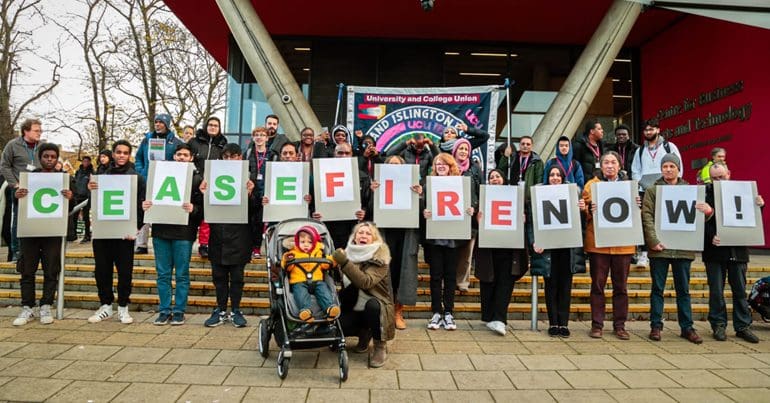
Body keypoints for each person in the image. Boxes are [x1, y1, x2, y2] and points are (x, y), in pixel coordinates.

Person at [642, 153, 709, 344]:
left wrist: (706, 212)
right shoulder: (653, 190)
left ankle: (687, 327)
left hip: (683, 249)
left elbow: (698, 220)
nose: (668, 169)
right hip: (659, 249)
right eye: (665, 166)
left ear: (678, 168)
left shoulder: (690, 190)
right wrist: (653, 240)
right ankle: (656, 326)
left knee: (684, 290)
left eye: (672, 166)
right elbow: (647, 216)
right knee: (657, 289)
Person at [12, 143, 73, 326]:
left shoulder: (64, 178)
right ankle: (27, 307)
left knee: (51, 270)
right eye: (46, 156)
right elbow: (18, 205)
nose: (49, 160)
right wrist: (18, 196)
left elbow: (76, 201)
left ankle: (46, 305)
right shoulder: (29, 178)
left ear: (57, 159)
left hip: (53, 231)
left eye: (53, 157)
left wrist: (70, 197)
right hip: (30, 230)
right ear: (40, 157)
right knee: (27, 270)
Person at [142, 143, 203, 326]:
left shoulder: (197, 179)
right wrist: (146, 205)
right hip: (161, 231)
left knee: (182, 274)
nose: (181, 157)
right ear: (174, 156)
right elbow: (149, 199)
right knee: (163, 274)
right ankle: (164, 310)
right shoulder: (159, 174)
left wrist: (194, 209)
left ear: (191, 158)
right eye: (178, 154)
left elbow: (204, 209)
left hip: (184, 233)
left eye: (185, 155)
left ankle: (179, 311)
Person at [87, 140, 145, 324]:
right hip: (103, 231)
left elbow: (141, 206)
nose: (121, 155)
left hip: (124, 234)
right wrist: (90, 189)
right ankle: (105, 305)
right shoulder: (100, 175)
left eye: (125, 152)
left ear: (129, 155)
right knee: (102, 270)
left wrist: (136, 228)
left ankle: (123, 307)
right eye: (118, 152)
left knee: (125, 272)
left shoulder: (136, 177)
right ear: (113, 154)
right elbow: (92, 202)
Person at [702, 162, 762, 343]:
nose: (719, 180)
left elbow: (750, 218)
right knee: (716, 291)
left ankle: (743, 326)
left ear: (729, 173)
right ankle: (718, 325)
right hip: (715, 252)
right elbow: (695, 223)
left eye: (722, 176)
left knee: (739, 290)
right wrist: (710, 236)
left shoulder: (744, 192)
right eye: (715, 178)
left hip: (738, 250)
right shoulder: (705, 194)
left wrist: (760, 204)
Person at [582, 151, 637, 339]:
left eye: (613, 162)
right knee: (598, 286)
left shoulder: (629, 187)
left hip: (623, 245)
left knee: (620, 287)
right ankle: (597, 325)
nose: (610, 166)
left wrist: (637, 203)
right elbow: (586, 213)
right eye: (606, 162)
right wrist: (588, 209)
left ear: (620, 166)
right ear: (601, 166)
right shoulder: (591, 186)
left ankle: (620, 325)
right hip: (598, 244)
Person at [201, 143, 255, 328]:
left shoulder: (249, 178)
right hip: (218, 235)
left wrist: (250, 194)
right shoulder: (212, 177)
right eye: (226, 157)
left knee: (237, 277)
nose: (230, 160)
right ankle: (220, 309)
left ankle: (236, 310)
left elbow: (257, 211)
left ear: (241, 157)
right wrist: (203, 194)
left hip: (240, 237)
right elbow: (204, 210)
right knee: (219, 276)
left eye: (234, 156)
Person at [529, 166, 586, 338]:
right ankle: (553, 322)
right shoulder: (540, 195)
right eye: (552, 175)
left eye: (558, 175)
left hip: (567, 249)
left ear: (563, 177)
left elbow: (581, 224)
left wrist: (582, 210)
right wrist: (534, 241)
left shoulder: (573, 194)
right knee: (551, 286)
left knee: (565, 287)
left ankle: (564, 323)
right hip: (548, 250)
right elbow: (532, 221)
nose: (555, 177)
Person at [369, 155, 422, 330]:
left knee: (402, 271)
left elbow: (421, 213)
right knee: (385, 271)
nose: (393, 167)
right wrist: (373, 193)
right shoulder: (378, 183)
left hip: (405, 234)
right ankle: (386, 310)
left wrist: (419, 195)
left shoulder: (412, 184)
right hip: (385, 234)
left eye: (397, 164)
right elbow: (369, 212)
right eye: (390, 164)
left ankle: (398, 311)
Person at [333, 222, 394, 368]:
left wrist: (345, 262)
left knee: (373, 306)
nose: (363, 236)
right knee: (335, 324)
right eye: (360, 233)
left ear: (374, 239)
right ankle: (363, 334)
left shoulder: (380, 258)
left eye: (368, 233)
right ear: (354, 237)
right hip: (353, 304)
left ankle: (380, 346)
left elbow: (365, 282)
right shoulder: (347, 254)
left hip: (377, 307)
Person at [423, 153, 472, 331]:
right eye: (437, 163)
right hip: (435, 240)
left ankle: (449, 312)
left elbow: (468, 204)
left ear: (450, 165)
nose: (440, 166)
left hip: (453, 240)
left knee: (451, 277)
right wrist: (424, 212)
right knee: (435, 277)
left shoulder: (460, 184)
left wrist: (469, 210)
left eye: (444, 163)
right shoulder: (428, 185)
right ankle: (436, 311)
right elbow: (422, 204)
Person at [476, 169, 527, 335]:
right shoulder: (483, 198)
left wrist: (523, 219)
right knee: (489, 282)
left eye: (497, 176)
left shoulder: (515, 197)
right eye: (491, 177)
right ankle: (490, 317)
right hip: (489, 250)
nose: (494, 179)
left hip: (509, 249)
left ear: (504, 179)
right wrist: (477, 219)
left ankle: (500, 318)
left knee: (505, 284)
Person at [631, 121, 682, 268]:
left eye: (651, 129)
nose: (648, 132)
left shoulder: (669, 147)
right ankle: (643, 253)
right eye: (645, 130)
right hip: (645, 190)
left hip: (667, 189)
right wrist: (641, 183)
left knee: (665, 218)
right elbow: (635, 170)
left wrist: (674, 184)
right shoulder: (640, 150)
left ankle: (668, 247)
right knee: (644, 220)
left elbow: (678, 166)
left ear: (658, 130)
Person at [133, 113, 182, 254]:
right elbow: (139, 158)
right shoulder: (147, 139)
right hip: (147, 179)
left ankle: (165, 241)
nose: (158, 125)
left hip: (166, 182)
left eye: (161, 122)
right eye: (156, 122)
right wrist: (142, 173)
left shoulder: (175, 141)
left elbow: (178, 160)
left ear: (167, 124)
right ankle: (141, 244)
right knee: (145, 208)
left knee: (163, 209)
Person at [0, 118, 43, 261]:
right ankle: (16, 252)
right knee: (18, 220)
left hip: (39, 190)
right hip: (20, 190)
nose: (39, 133)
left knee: (37, 221)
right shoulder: (13, 145)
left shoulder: (42, 146)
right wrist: (15, 184)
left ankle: (36, 251)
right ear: (26, 131)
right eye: (36, 130)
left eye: (40, 130)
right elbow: (4, 166)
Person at [282, 225, 340, 321]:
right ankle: (305, 311)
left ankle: (330, 308)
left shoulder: (319, 253)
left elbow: (325, 265)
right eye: (302, 242)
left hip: (317, 280)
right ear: (297, 242)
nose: (306, 244)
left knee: (323, 290)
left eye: (310, 242)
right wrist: (288, 260)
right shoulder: (292, 253)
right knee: (300, 293)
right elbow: (288, 268)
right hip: (299, 281)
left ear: (315, 243)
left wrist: (334, 259)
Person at [189, 117, 227, 258]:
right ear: (205, 126)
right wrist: (197, 176)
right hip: (195, 182)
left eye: (215, 125)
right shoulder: (194, 142)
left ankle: (204, 244)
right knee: (193, 213)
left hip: (213, 184)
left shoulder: (223, 144)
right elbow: (188, 158)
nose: (212, 127)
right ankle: (189, 241)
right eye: (210, 125)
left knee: (207, 215)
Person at [452, 138, 482, 292]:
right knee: (450, 253)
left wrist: (475, 208)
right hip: (450, 218)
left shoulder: (475, 169)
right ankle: (449, 281)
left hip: (469, 219)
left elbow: (481, 191)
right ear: (455, 150)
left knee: (466, 255)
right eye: (460, 148)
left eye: (466, 149)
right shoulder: (448, 167)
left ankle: (462, 283)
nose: (463, 151)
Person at [247, 126, 270, 259]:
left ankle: (257, 248)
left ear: (267, 138)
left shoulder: (272, 154)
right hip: (252, 192)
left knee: (261, 221)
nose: (259, 137)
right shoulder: (248, 153)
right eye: (256, 135)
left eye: (262, 135)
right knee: (251, 221)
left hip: (265, 192)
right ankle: (250, 247)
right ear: (253, 137)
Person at [73, 156, 94, 243]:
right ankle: (73, 234)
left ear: (89, 162)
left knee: (86, 217)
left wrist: (89, 195)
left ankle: (87, 235)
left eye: (87, 161)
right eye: (84, 161)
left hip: (86, 197)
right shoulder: (78, 172)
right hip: (77, 196)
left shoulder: (91, 172)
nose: (85, 163)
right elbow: (75, 182)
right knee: (74, 216)